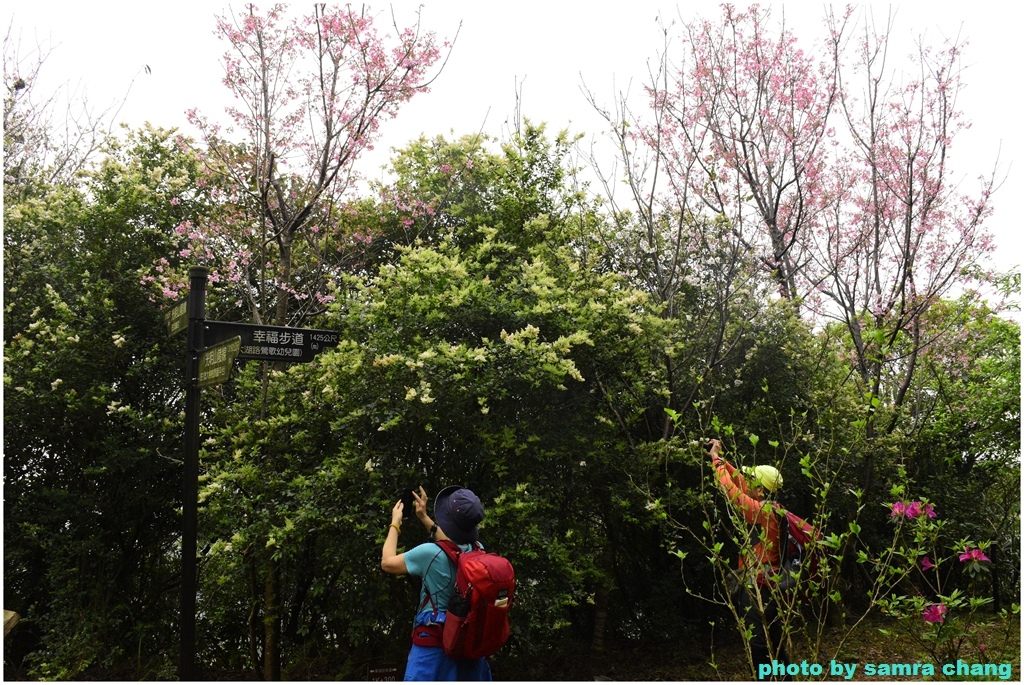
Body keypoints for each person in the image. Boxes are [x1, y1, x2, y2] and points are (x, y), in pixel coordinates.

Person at [381, 485, 492, 681]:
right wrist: (423, 517)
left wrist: (395, 524)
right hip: (468, 645)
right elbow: (452, 545)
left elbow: (387, 563)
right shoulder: (478, 550)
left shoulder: (429, 554)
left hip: (434, 648)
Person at [708, 439, 791, 681]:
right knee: (775, 642)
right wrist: (721, 458)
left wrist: (716, 462)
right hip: (769, 586)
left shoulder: (763, 512)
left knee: (759, 645)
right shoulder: (772, 508)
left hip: (759, 589)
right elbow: (740, 481)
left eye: (752, 482)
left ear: (761, 490)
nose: (747, 483)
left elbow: (730, 489)